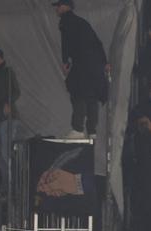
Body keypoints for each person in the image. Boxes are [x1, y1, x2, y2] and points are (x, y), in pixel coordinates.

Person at [53, 0, 109, 139]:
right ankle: (92, 131)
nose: (57, 9)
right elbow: (97, 42)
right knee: (91, 95)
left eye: (59, 6)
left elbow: (67, 42)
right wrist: (104, 62)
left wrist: (65, 60)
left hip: (83, 63)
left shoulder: (67, 20)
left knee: (77, 91)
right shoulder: (82, 23)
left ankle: (78, 129)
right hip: (95, 65)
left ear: (66, 6)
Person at [0, 48, 20, 199]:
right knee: (2, 156)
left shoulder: (8, 72)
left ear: (0, 58)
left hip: (8, 119)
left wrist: (8, 103)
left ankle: (12, 189)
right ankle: (5, 189)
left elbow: (16, 91)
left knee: (6, 154)